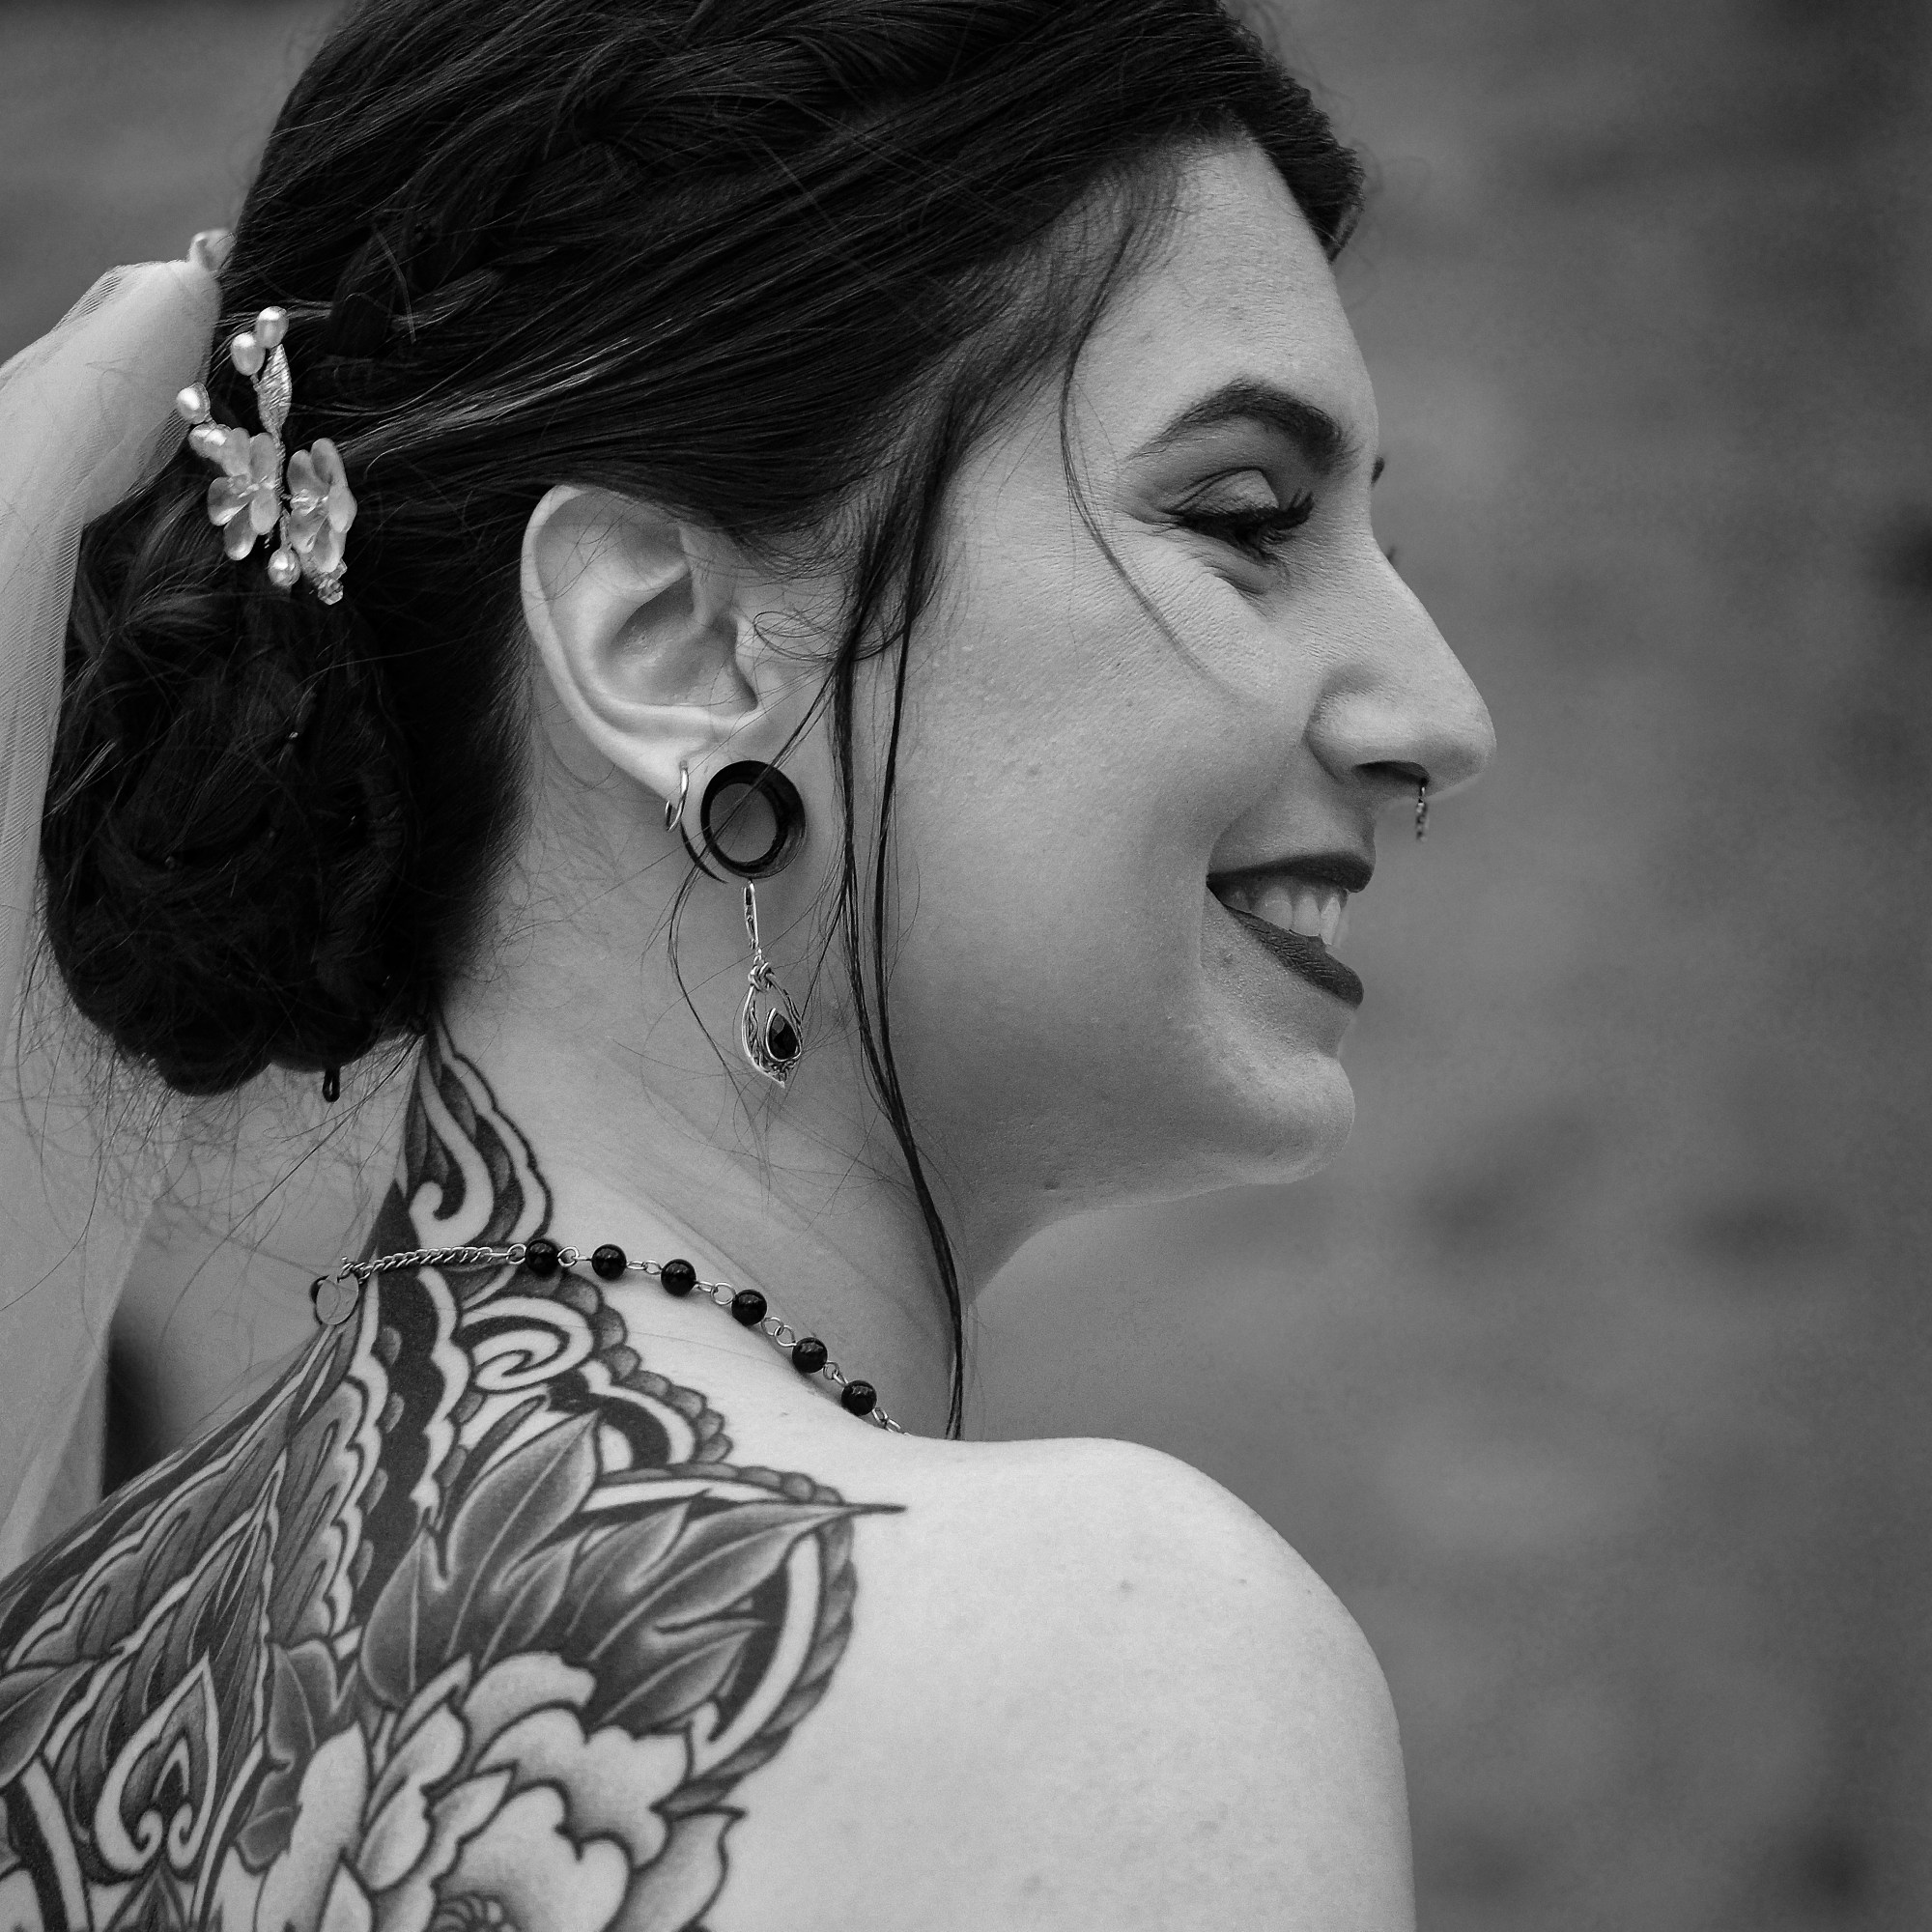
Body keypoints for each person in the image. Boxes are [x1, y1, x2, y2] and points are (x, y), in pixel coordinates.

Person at [0, 0, 1493, 1924]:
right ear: (673, 648)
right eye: (1244, 521)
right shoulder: (1108, 1660)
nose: (1438, 716)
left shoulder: (45, 1696)